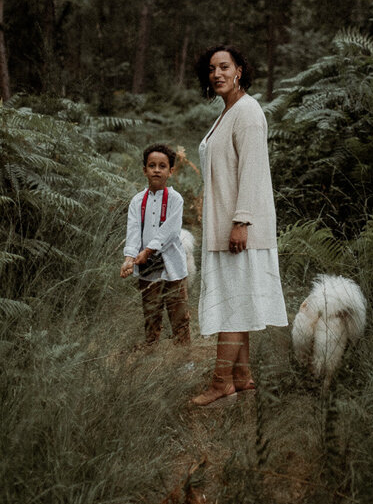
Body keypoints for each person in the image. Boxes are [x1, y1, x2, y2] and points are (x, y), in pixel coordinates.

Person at [191, 45, 288, 406]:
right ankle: (242, 377)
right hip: (226, 225)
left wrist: (241, 221)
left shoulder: (247, 113)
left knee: (232, 305)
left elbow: (252, 171)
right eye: (212, 69)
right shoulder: (228, 112)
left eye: (224, 67)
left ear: (240, 70)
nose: (217, 74)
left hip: (241, 227)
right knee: (239, 302)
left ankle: (220, 383)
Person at [121, 143, 190, 347]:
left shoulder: (175, 199)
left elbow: (169, 230)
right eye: (152, 165)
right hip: (147, 268)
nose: (157, 170)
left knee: (179, 316)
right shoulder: (137, 201)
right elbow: (133, 232)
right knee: (151, 315)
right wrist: (129, 259)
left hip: (173, 268)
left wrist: (148, 250)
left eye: (162, 166)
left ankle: (184, 361)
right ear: (144, 170)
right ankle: (150, 357)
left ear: (171, 171)